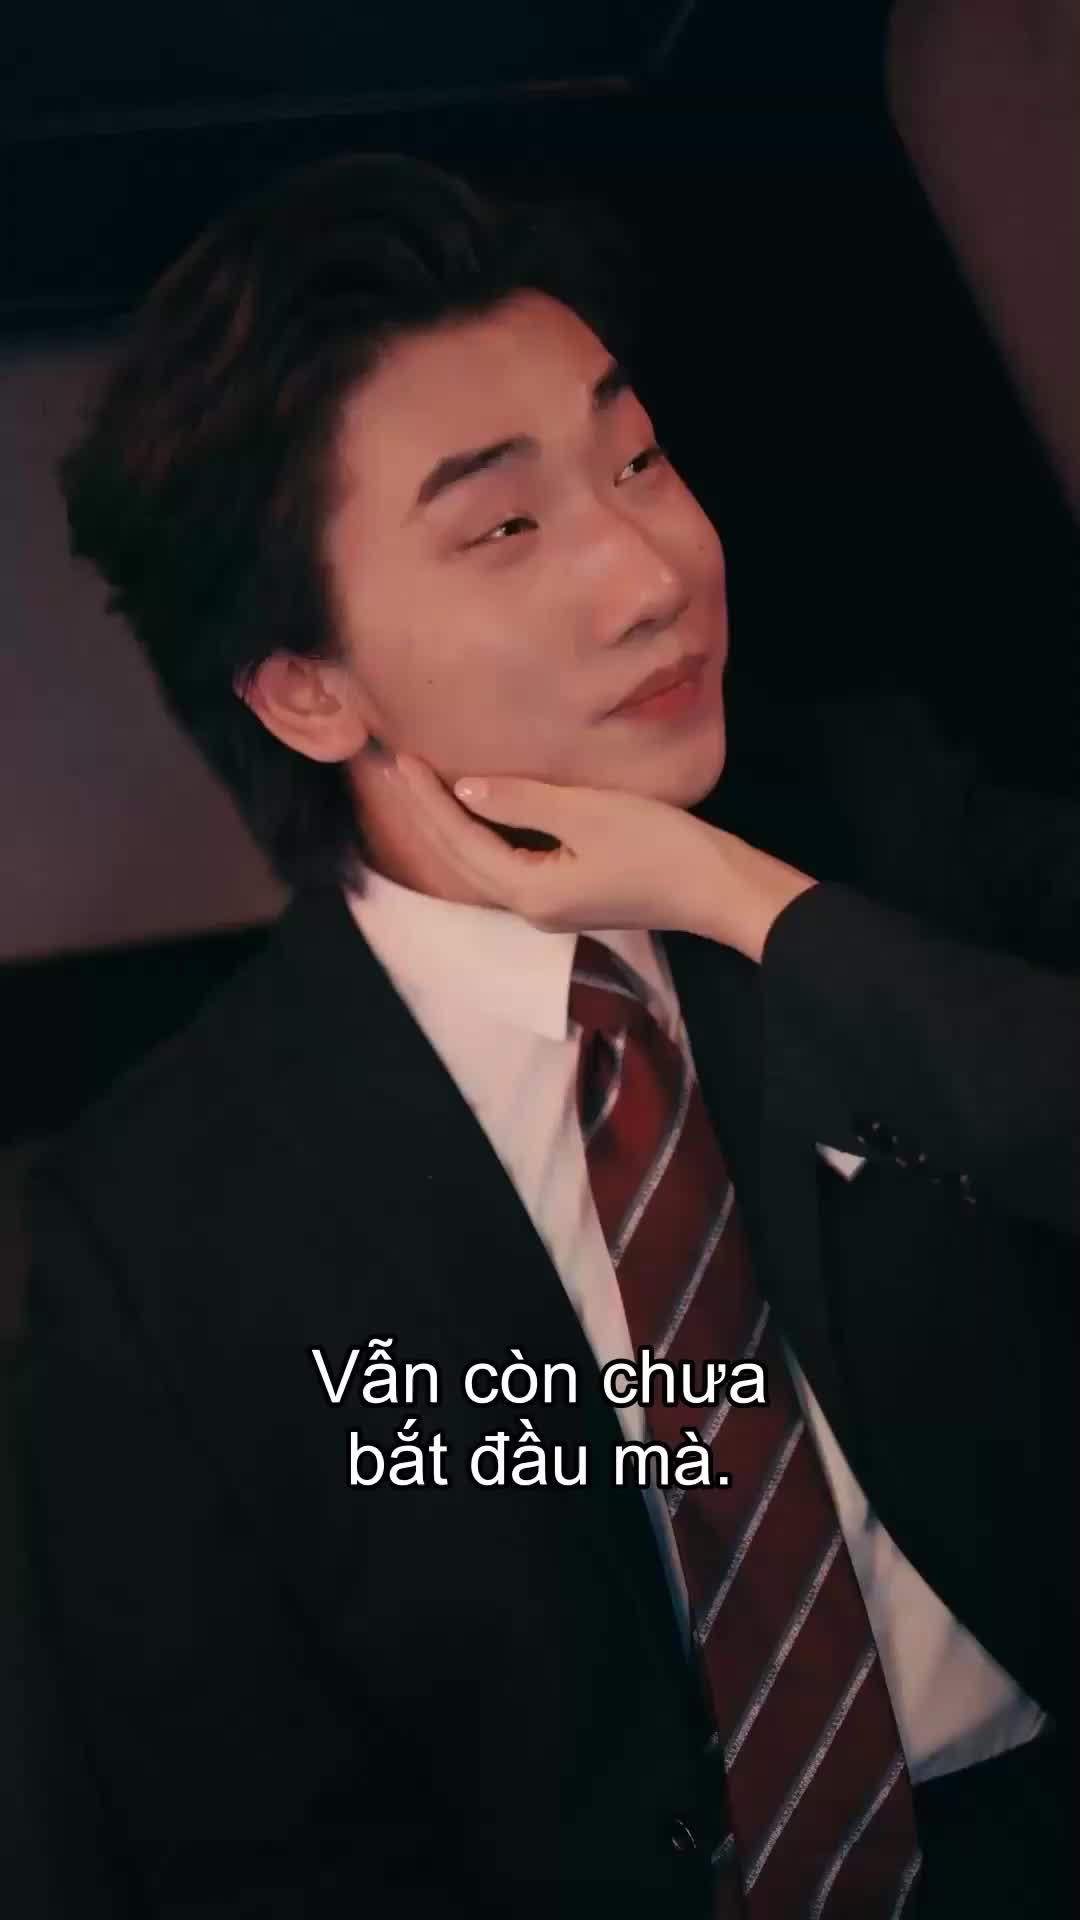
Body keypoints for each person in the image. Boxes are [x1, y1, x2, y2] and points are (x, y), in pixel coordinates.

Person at [12, 150, 1075, 1919]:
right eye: (504, 527)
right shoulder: (162, 1227)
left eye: (638, 461)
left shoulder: (882, 825)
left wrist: (745, 900)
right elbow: (245, 1842)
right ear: (306, 687)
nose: (652, 572)